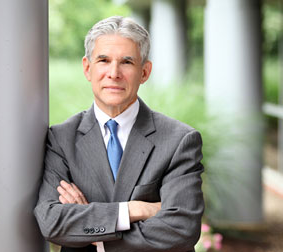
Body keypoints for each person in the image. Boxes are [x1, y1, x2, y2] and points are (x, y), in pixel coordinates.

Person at [34, 16, 204, 252]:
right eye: (103, 60)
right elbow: (52, 221)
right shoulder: (61, 139)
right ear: (87, 68)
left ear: (144, 72)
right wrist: (135, 210)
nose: (114, 73)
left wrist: (93, 229)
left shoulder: (179, 140)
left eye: (127, 62)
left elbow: (181, 229)